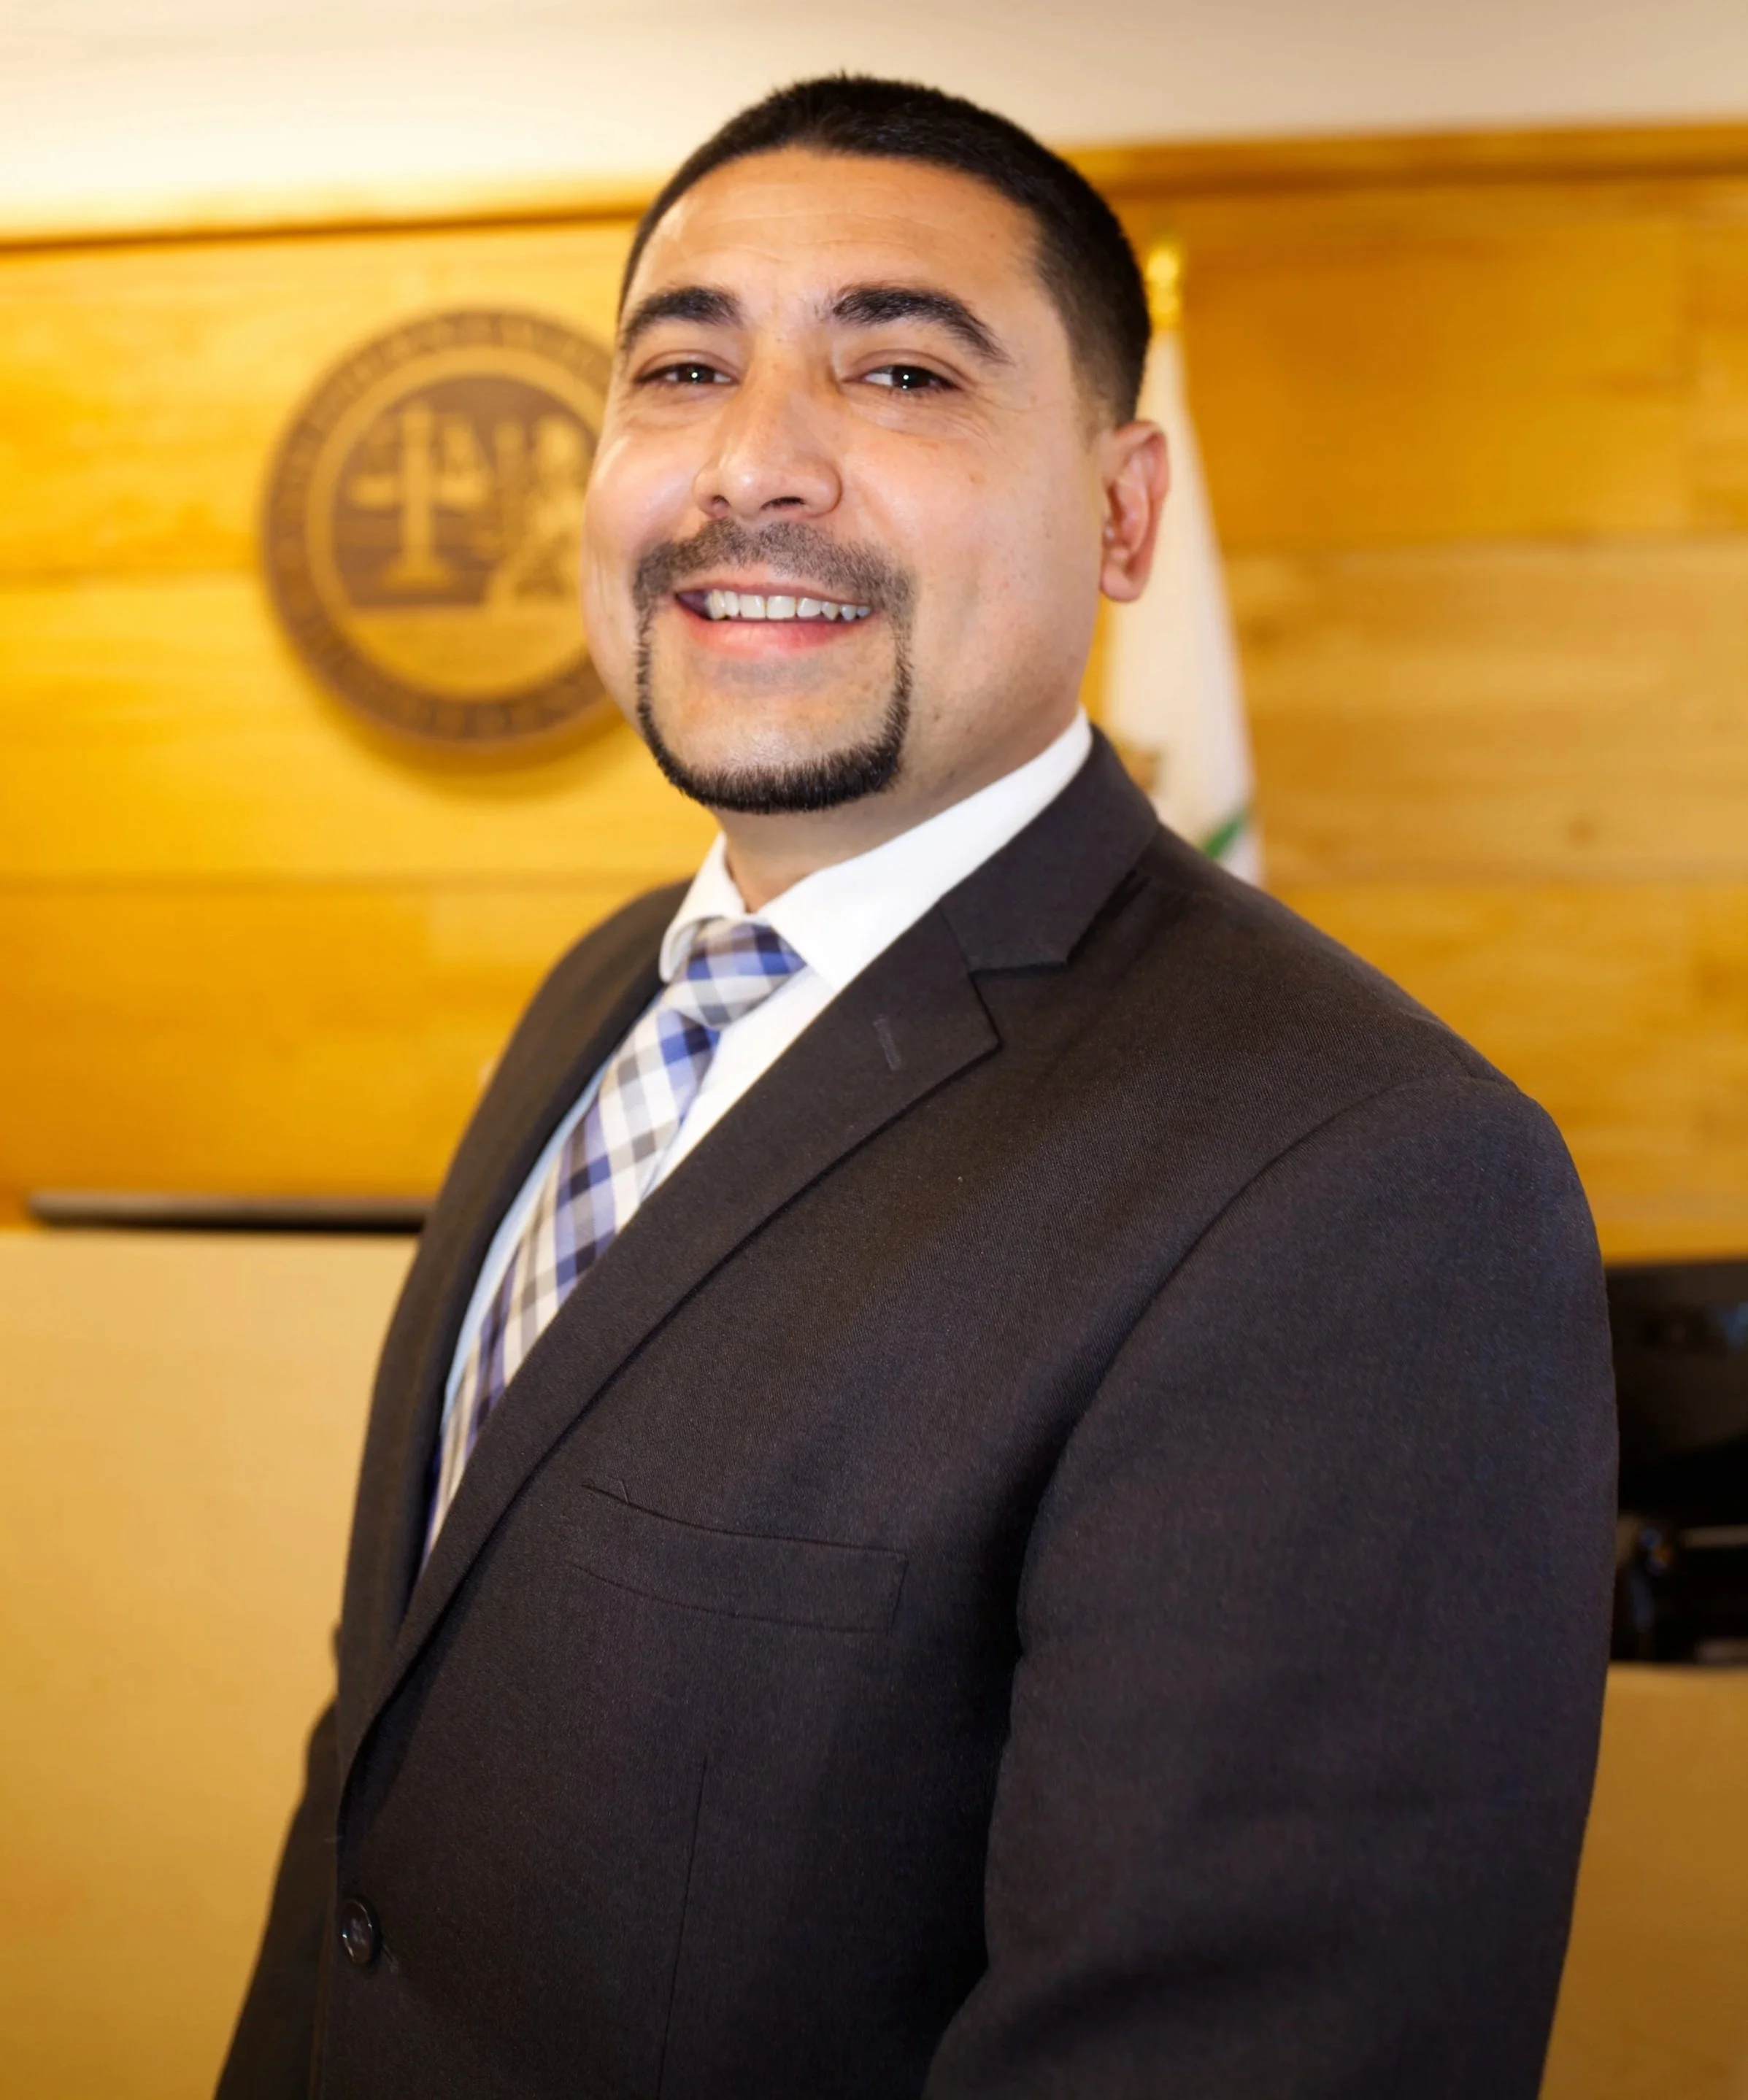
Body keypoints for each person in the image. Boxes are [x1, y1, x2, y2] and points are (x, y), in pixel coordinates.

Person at [219, 76, 1617, 2100]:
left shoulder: (1366, 1187)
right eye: (683, 363)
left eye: (897, 369)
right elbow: (383, 1797)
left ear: (1126, 512)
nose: (753, 464)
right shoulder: (604, 991)